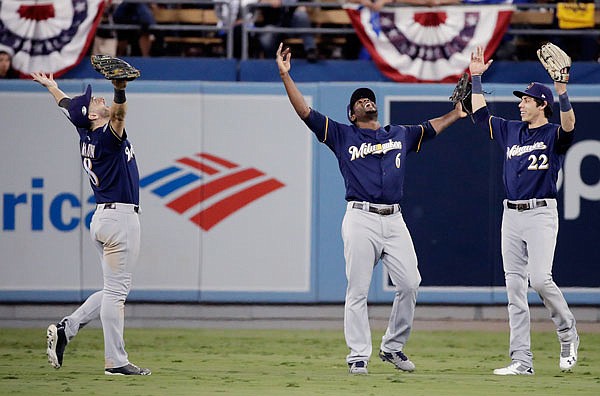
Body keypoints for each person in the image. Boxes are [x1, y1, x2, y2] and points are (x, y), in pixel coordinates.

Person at [276, 42, 466, 374]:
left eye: (370, 97)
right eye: (360, 100)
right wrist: (285, 77)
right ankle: (357, 355)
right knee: (358, 290)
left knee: (410, 283)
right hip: (360, 218)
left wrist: (457, 113)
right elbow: (305, 112)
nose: (367, 100)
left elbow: (430, 128)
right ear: (352, 113)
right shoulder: (341, 134)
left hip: (394, 219)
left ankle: (392, 347)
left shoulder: (399, 134)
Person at [30, 71, 150, 376]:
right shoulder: (105, 137)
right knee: (117, 293)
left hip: (102, 218)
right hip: (120, 218)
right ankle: (115, 361)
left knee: (113, 289)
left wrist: (52, 87)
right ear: (94, 116)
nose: (96, 99)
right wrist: (119, 89)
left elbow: (67, 105)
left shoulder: (85, 129)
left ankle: (66, 329)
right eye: (94, 101)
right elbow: (120, 114)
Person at [469, 45, 579, 375]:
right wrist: (475, 77)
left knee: (541, 279)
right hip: (511, 215)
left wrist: (562, 92)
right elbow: (480, 115)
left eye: (526, 100)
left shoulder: (552, 134)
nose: (521, 103)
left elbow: (570, 126)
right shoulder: (511, 130)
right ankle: (522, 360)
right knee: (515, 290)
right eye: (521, 99)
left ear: (541, 105)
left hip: (541, 213)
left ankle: (567, 331)